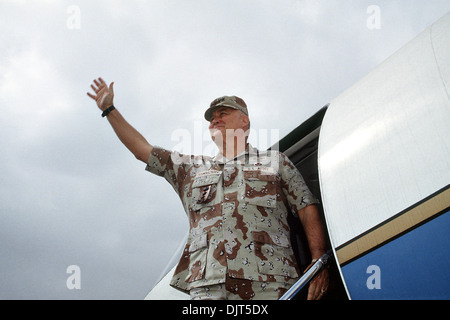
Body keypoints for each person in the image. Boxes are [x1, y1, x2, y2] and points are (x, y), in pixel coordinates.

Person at [87, 77, 329, 300]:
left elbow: (307, 209)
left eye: (223, 113)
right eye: (212, 117)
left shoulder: (275, 162)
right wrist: (109, 110)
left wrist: (318, 260)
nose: (215, 119)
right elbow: (142, 150)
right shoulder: (191, 169)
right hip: (208, 288)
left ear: (244, 120)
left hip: (269, 283)